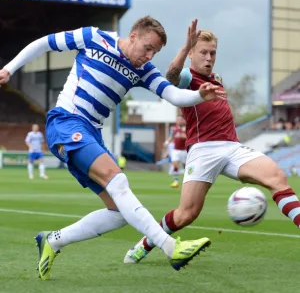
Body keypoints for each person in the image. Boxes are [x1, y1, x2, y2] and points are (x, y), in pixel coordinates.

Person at [0, 16, 227, 280]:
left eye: (155, 52)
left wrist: (200, 95)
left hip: (92, 135)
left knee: (118, 212)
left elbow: (172, 94)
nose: (149, 56)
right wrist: (9, 68)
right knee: (118, 182)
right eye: (147, 48)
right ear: (133, 37)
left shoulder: (144, 70)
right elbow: (45, 43)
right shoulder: (94, 37)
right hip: (65, 122)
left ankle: (53, 240)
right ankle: (171, 247)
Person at [124, 19, 300, 264]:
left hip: (232, 147)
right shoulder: (188, 77)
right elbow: (171, 76)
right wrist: (184, 48)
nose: (208, 57)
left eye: (212, 53)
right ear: (192, 54)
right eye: (203, 52)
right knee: (186, 214)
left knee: (277, 178)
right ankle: (146, 243)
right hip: (204, 150)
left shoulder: (216, 77)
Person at [163, 115, 187, 188]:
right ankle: (176, 181)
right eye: (177, 119)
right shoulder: (173, 128)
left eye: (180, 119)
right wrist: (166, 142)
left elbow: (187, 137)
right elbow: (171, 137)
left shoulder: (186, 128)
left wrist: (184, 135)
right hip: (176, 150)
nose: (178, 121)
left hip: (184, 150)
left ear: (183, 120)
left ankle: (187, 181)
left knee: (186, 166)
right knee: (175, 164)